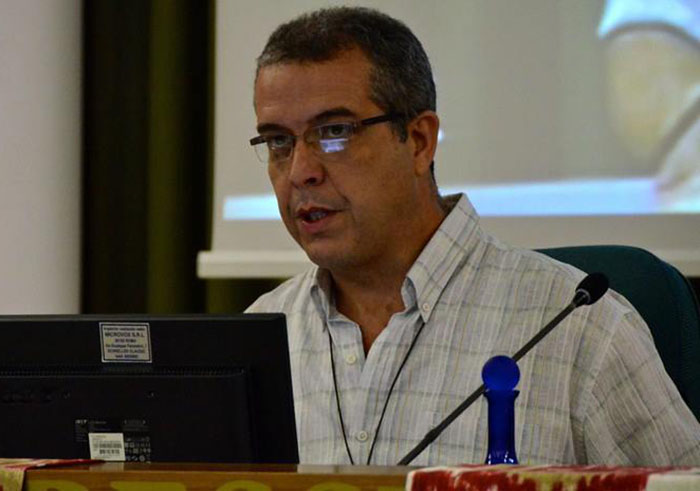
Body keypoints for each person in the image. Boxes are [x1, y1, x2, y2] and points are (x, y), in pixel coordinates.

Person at [246, 6, 700, 466]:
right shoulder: (257, 336)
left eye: (334, 132)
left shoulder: (579, 330)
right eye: (279, 141)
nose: (300, 171)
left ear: (419, 141)